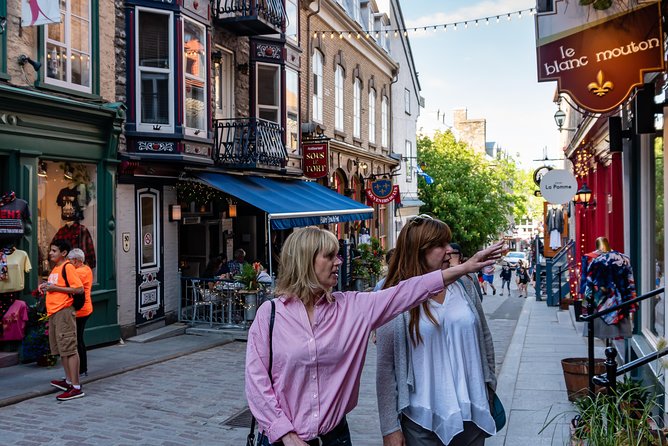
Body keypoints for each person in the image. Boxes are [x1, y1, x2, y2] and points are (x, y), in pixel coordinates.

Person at [245, 225, 504, 446]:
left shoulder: (353, 308)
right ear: (305, 261)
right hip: (281, 440)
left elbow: (409, 290)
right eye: (330, 256)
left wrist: (465, 268)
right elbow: (257, 383)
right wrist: (286, 434)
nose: (340, 261)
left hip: (334, 437)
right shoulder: (270, 315)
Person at [376, 218, 498, 446]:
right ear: (419, 251)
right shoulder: (392, 296)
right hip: (422, 420)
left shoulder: (465, 286)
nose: (449, 250)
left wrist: (489, 387)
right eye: (441, 245)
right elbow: (385, 367)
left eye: (448, 243)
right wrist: (390, 428)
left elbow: (485, 337)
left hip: (473, 414)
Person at [38, 239, 85, 401]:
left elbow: (78, 289)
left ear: (63, 253)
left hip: (64, 312)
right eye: (50, 250)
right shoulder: (56, 269)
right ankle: (68, 381)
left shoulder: (68, 267)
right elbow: (55, 287)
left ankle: (76, 387)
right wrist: (45, 286)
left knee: (70, 348)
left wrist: (54, 288)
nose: (50, 253)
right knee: (62, 349)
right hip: (55, 313)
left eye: (54, 251)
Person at [67, 248, 93, 377]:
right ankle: (81, 369)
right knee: (78, 339)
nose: (68, 262)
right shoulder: (85, 268)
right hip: (84, 309)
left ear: (76, 261)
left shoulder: (80, 272)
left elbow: (71, 287)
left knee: (77, 340)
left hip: (81, 311)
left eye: (69, 260)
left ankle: (81, 370)